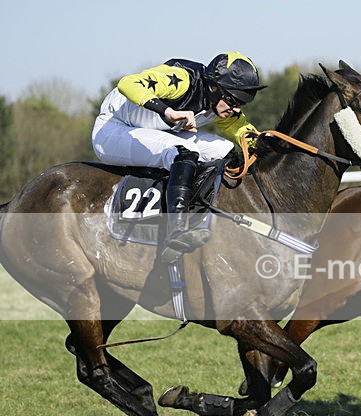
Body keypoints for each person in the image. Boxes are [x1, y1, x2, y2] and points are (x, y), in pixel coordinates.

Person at [92, 52, 268, 263]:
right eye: (232, 100)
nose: (236, 108)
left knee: (225, 150)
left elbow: (238, 129)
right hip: (114, 129)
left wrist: (267, 145)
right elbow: (128, 82)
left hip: (160, 131)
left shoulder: (220, 104)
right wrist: (167, 111)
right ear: (214, 87)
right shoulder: (182, 80)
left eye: (241, 102)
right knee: (183, 151)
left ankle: (206, 212)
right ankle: (175, 230)